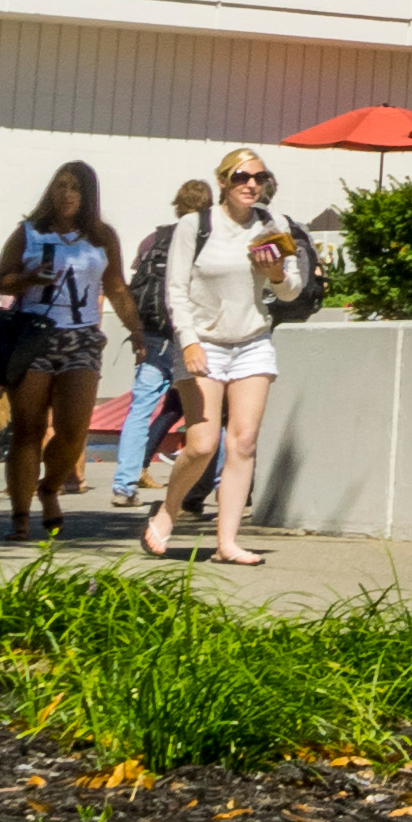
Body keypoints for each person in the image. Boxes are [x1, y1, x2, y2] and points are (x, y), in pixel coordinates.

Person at [145, 148, 305, 566]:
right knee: (200, 444)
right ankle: (168, 511)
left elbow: (291, 290)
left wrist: (273, 272)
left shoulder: (273, 225)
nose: (251, 184)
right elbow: (175, 290)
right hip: (204, 343)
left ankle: (227, 542)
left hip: (252, 340)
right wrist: (189, 342)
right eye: (241, 177)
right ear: (223, 182)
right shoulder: (194, 225)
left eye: (259, 177)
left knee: (244, 441)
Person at [0, 162, 128, 543]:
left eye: (76, 188)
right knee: (28, 429)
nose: (67, 193)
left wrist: (137, 332)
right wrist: (27, 279)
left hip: (82, 336)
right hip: (34, 333)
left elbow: (116, 286)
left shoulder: (102, 237)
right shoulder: (28, 233)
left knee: (73, 431)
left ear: (88, 196)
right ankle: (20, 517)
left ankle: (50, 487)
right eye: (61, 185)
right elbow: (0, 278)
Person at [113, 177, 211, 512]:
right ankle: (201, 488)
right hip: (190, 338)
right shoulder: (207, 239)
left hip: (153, 333)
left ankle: (124, 484)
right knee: (209, 412)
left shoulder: (152, 239)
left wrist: (137, 330)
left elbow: (134, 283)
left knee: (140, 409)